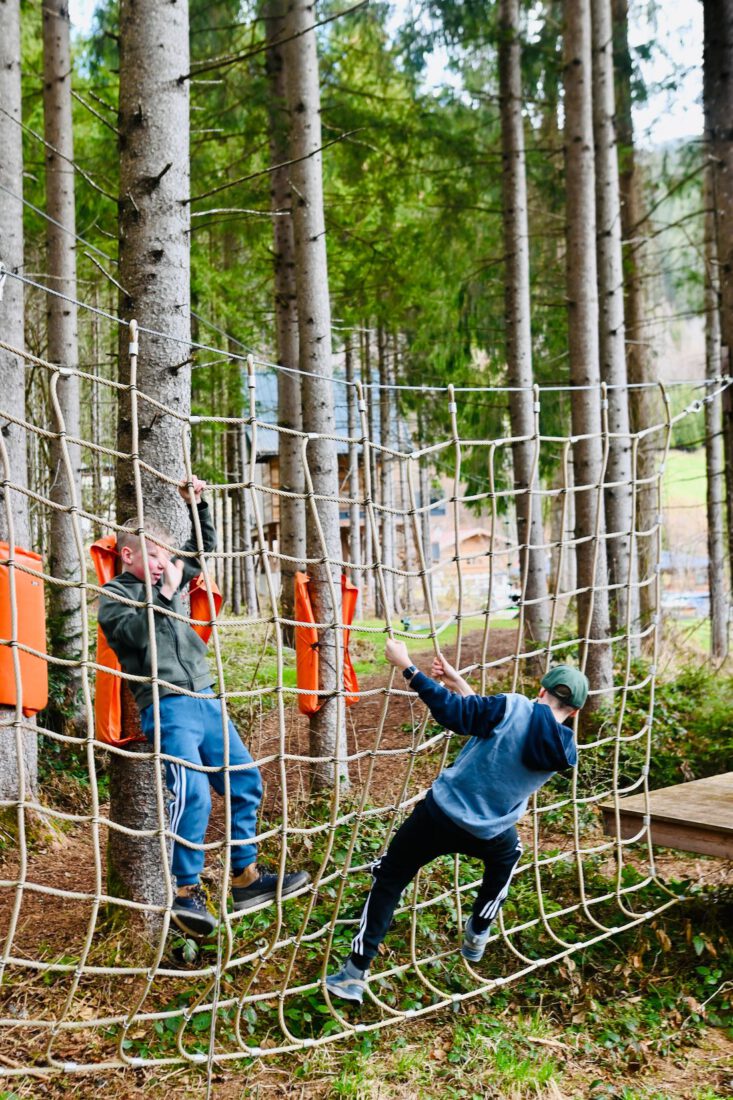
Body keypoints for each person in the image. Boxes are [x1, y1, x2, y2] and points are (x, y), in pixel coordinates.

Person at [98, 476, 309, 937]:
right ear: (128, 554)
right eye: (153, 555)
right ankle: (184, 892)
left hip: (207, 701)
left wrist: (198, 504)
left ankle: (245, 877)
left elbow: (201, 547)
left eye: (165, 556)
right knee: (191, 793)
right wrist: (168, 594)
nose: (163, 564)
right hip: (169, 706)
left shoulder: (169, 574)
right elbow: (135, 636)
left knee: (246, 780)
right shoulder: (116, 596)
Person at [326, 640, 588, 1003]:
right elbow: (496, 725)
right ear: (574, 712)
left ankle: (354, 973)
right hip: (490, 831)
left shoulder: (512, 706)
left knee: (390, 877)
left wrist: (408, 667)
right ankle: (478, 931)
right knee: (509, 857)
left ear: (540, 690)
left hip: (439, 815)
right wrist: (457, 681)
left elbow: (458, 715)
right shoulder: (565, 750)